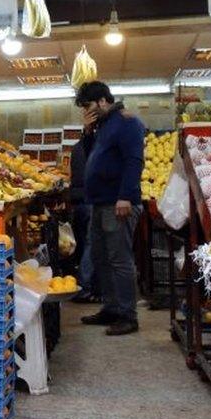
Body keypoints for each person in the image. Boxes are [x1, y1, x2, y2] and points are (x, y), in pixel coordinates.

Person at [74, 81, 145, 336]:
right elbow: (93, 155)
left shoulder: (127, 122)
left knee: (119, 260)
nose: (86, 111)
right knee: (101, 258)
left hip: (118, 203)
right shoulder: (102, 126)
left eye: (88, 106)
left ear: (103, 101)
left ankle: (128, 315)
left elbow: (133, 160)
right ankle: (112, 308)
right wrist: (88, 131)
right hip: (100, 203)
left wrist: (125, 196)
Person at [69, 140, 100, 303]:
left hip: (78, 201)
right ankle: (85, 285)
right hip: (91, 200)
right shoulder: (98, 148)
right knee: (91, 243)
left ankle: (86, 284)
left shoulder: (76, 148)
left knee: (83, 243)